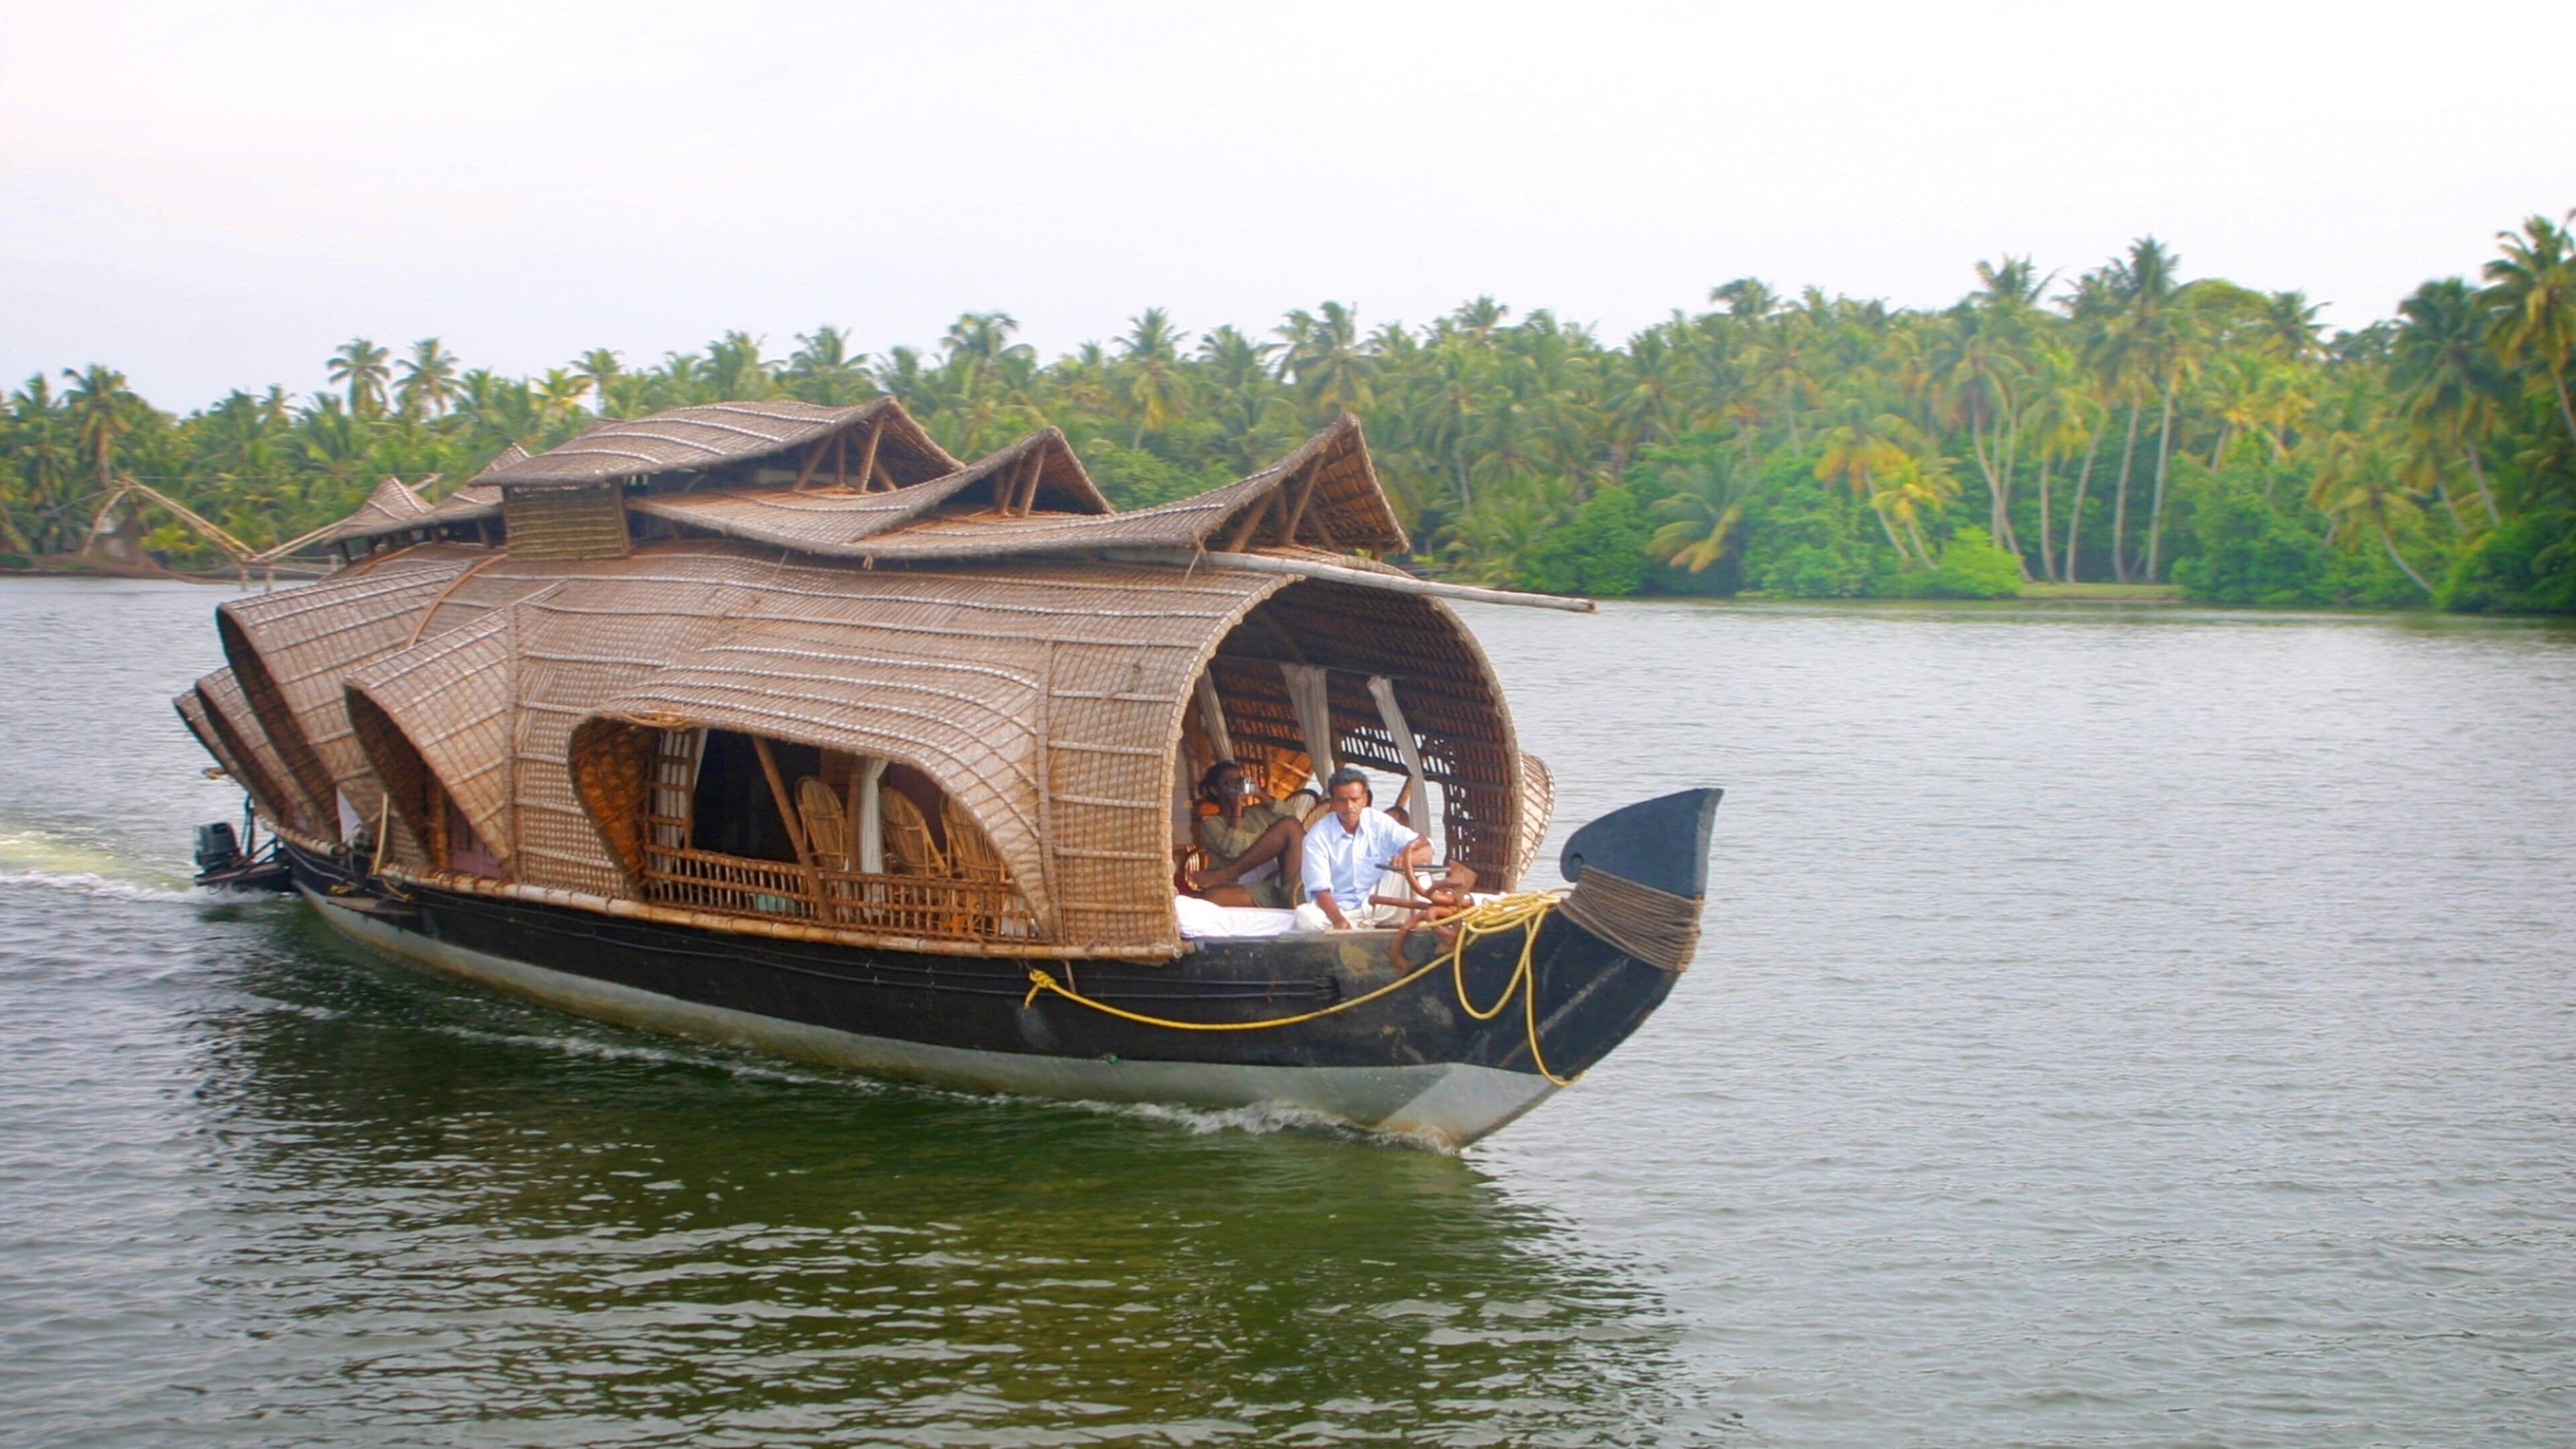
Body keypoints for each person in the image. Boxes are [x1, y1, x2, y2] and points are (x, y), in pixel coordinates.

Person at [1296, 766, 1431, 930]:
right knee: (1305, 917)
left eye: (1355, 799)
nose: (1349, 807)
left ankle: (1424, 924)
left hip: (1380, 905)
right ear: (1332, 803)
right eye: (1342, 801)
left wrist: (1407, 858)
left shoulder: (1379, 822)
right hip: (1342, 911)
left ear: (1364, 800)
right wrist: (1339, 921)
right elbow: (1321, 890)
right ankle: (1360, 926)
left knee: (1418, 868)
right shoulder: (1317, 838)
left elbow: (1426, 847)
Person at [1184, 761, 1303, 909]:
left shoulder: (1256, 813)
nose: (1236, 786)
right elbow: (1234, 850)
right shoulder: (1211, 824)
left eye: (1239, 781)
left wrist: (1259, 793)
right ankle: (1287, 900)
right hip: (1249, 888)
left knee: (1290, 825)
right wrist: (1237, 810)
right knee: (1211, 897)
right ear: (1215, 790)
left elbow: (1292, 816)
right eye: (1230, 782)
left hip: (1275, 882)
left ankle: (1229, 873)